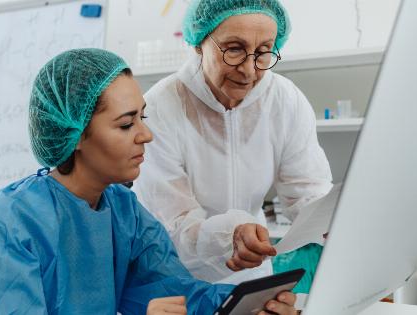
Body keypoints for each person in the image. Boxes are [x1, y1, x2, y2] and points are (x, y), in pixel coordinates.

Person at [0, 48, 297, 314]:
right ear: (76, 134)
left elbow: (171, 293)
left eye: (142, 118)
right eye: (126, 124)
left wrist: (248, 305)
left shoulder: (123, 210)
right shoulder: (7, 224)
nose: (145, 135)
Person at [133, 0, 333, 284]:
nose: (250, 71)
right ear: (198, 43)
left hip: (253, 271)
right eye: (235, 49)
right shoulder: (160, 108)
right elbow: (173, 224)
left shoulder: (284, 100)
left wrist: (329, 222)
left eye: (264, 52)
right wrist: (230, 238)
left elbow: (307, 192)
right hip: (179, 277)